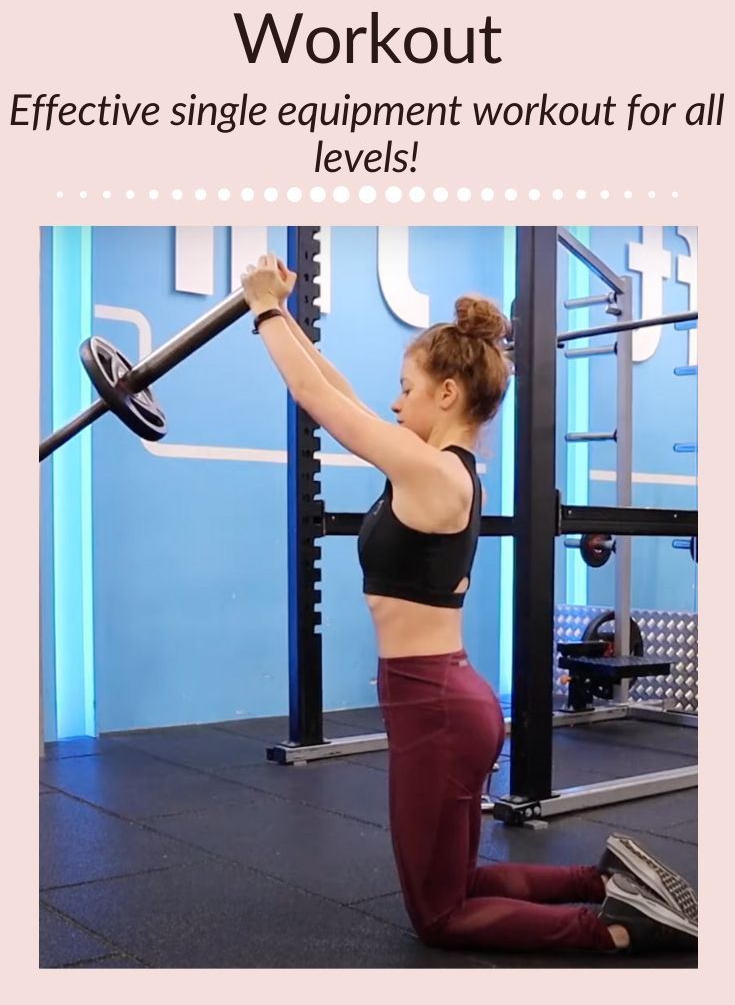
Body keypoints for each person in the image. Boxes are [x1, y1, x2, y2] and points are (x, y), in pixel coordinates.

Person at [241, 253, 697, 956]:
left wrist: (265, 309)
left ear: (447, 393)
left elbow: (320, 401)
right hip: (437, 699)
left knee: (438, 916)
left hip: (437, 708)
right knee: (455, 879)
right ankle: (599, 878)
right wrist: (285, 316)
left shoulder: (430, 472)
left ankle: (616, 930)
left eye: (406, 389)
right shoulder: (436, 468)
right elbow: (341, 395)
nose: (393, 403)